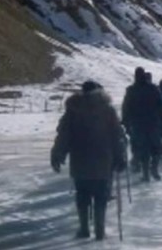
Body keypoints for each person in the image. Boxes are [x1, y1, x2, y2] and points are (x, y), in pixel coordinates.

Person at [51, 81, 126, 240]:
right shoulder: (108, 110)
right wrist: (120, 157)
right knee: (101, 196)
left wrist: (57, 154)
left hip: (80, 160)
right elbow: (117, 136)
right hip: (103, 160)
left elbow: (64, 135)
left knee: (82, 196)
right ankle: (100, 231)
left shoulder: (73, 110)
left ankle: (84, 228)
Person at [121, 67, 162, 182]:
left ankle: (146, 173)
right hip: (153, 122)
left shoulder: (131, 90)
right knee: (156, 147)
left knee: (143, 149)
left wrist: (125, 122)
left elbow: (126, 108)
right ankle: (154, 169)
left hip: (138, 124)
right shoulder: (153, 88)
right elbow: (161, 105)